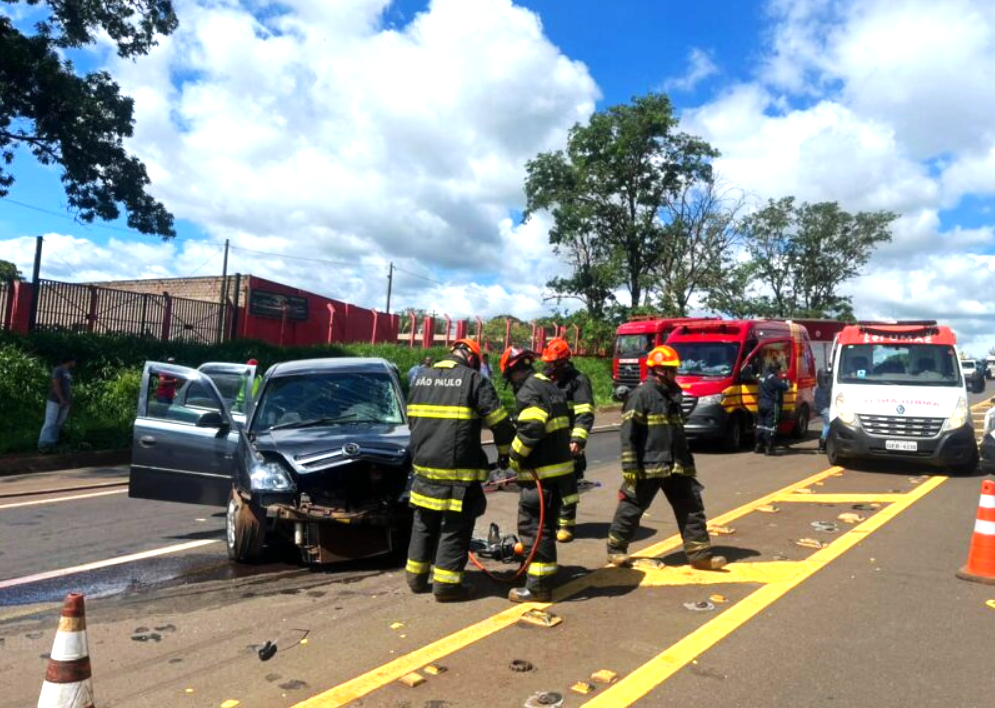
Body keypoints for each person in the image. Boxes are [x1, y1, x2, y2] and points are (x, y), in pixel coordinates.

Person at [405, 339, 514, 602]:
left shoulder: (421, 377)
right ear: (472, 358)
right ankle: (447, 586)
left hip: (423, 468)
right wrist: (504, 455)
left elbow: (412, 420)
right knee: (456, 525)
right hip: (457, 474)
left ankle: (416, 579)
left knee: (424, 522)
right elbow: (500, 423)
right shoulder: (473, 380)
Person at [606, 345, 727, 571]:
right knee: (632, 506)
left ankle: (700, 555)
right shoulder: (642, 394)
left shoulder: (672, 393)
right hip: (648, 465)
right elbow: (628, 432)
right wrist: (630, 465)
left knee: (692, 507)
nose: (675, 373)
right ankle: (616, 550)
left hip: (677, 464)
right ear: (659, 370)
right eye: (671, 369)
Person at [502, 346, 577, 603]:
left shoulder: (528, 391)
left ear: (512, 372)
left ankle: (538, 588)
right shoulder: (548, 386)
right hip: (559, 473)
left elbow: (532, 427)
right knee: (545, 528)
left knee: (534, 529)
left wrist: (514, 456)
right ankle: (544, 578)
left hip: (541, 476)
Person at [541, 337, 595, 543]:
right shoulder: (544, 379)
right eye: (548, 362)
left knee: (568, 482)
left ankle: (566, 524)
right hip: (550, 438)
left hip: (568, 439)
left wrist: (578, 439)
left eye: (554, 363)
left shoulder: (579, 380)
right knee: (548, 481)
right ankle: (549, 521)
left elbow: (585, 412)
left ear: (563, 362)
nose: (550, 367)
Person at [38, 355, 76, 452]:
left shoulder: (67, 372)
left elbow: (68, 388)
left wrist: (68, 401)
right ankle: (43, 444)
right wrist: (61, 398)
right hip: (54, 400)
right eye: (74, 360)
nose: (75, 363)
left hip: (65, 402)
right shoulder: (58, 370)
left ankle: (52, 443)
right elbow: (55, 385)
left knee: (59, 423)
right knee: (50, 422)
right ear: (69, 361)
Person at [756, 360, 790, 456]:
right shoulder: (773, 378)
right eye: (778, 370)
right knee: (771, 426)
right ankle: (769, 448)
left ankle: (758, 445)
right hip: (770, 404)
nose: (778, 372)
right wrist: (786, 381)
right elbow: (785, 387)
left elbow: (756, 377)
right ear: (774, 369)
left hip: (760, 402)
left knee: (760, 425)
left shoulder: (761, 376)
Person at [815, 369, 832, 453]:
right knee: (828, 425)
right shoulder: (826, 388)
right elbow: (830, 382)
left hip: (822, 409)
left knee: (826, 425)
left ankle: (823, 444)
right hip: (825, 409)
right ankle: (822, 443)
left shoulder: (818, 389)